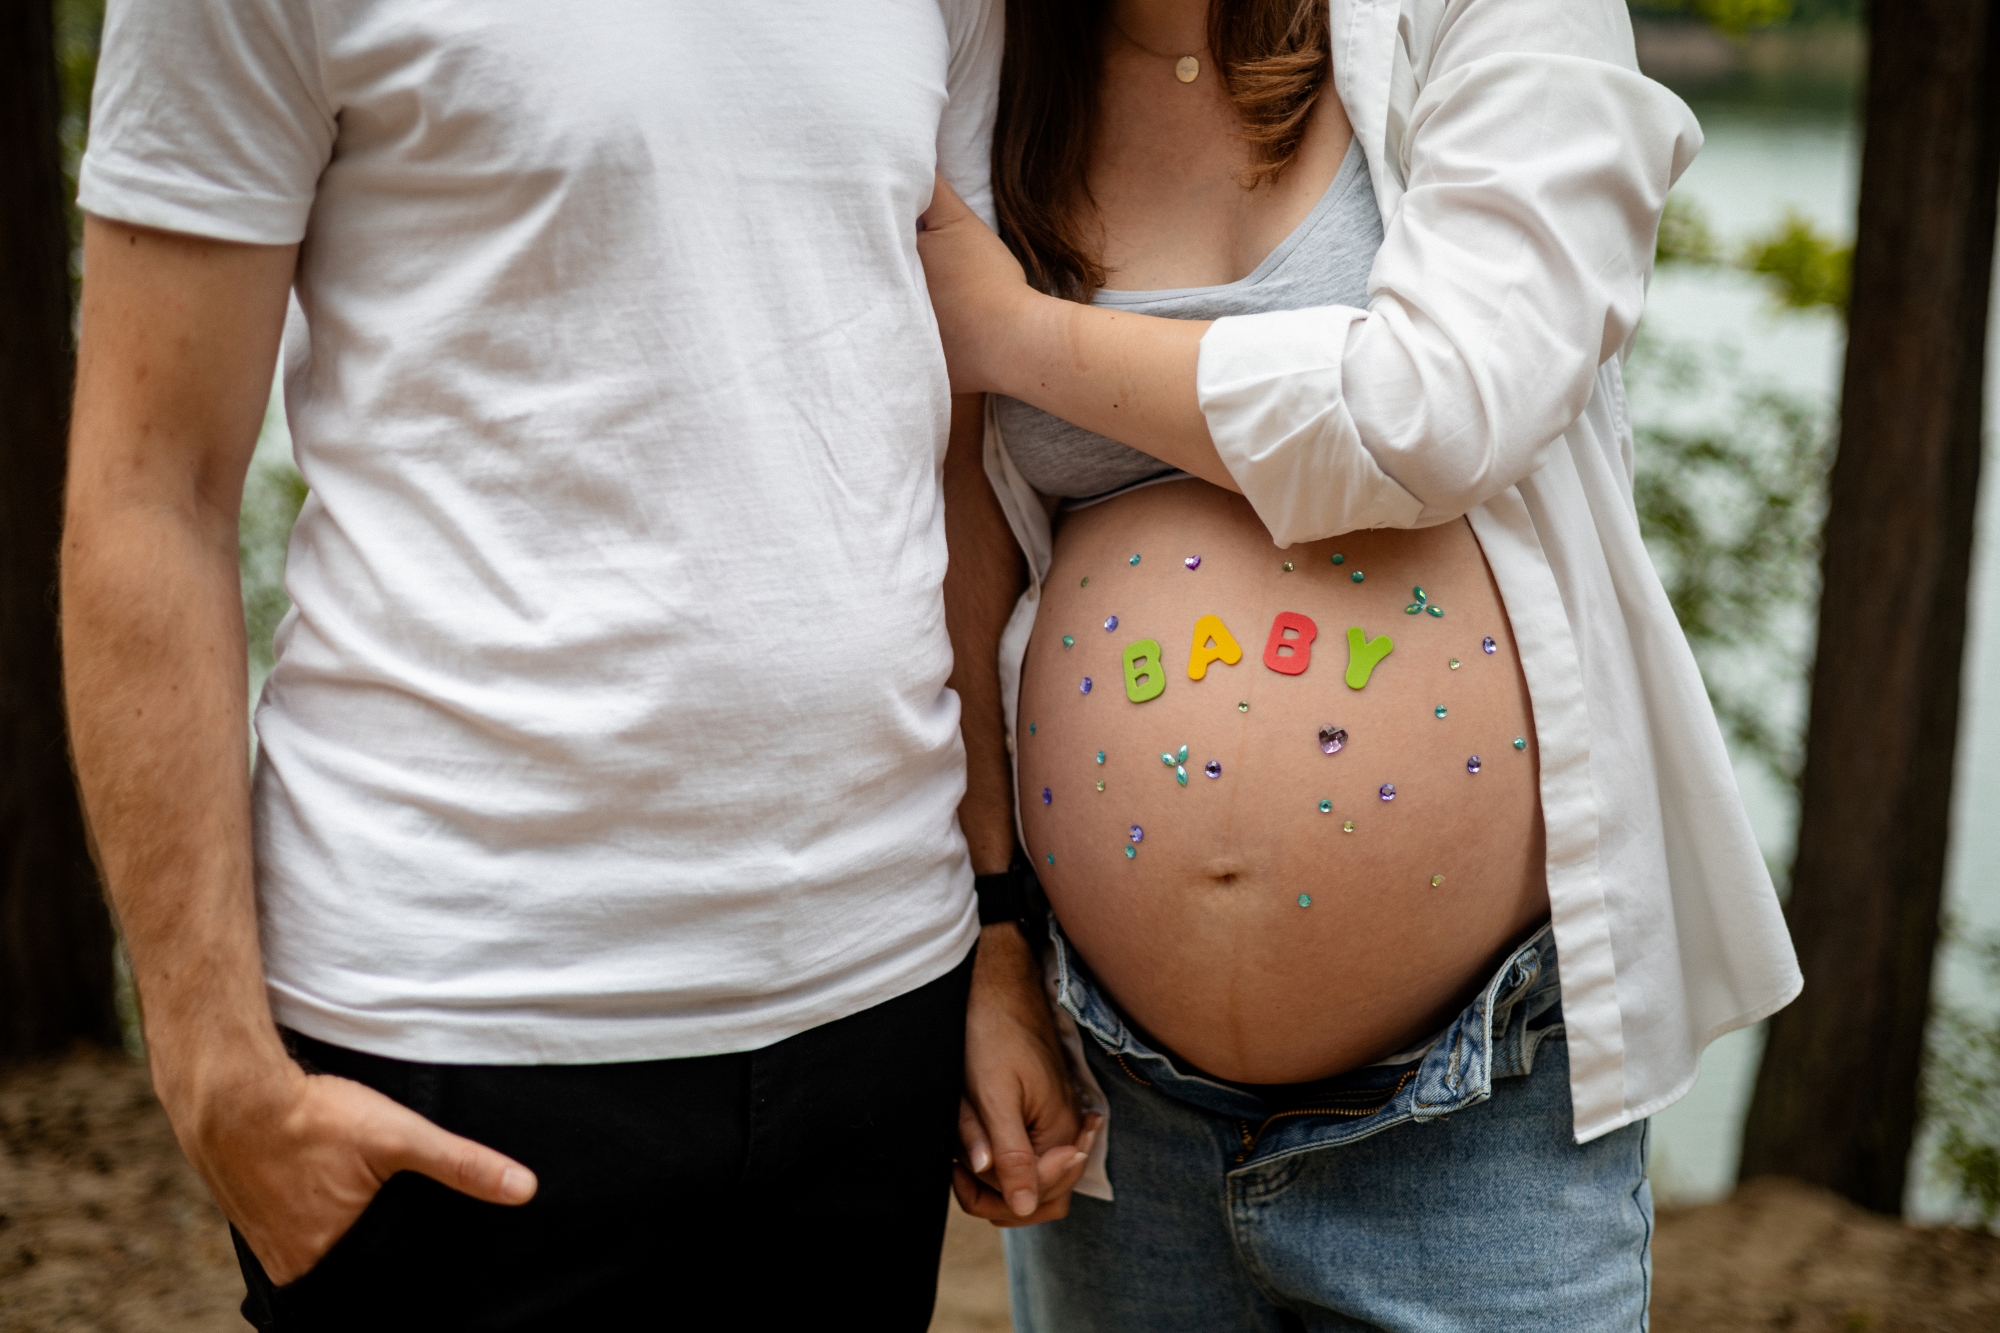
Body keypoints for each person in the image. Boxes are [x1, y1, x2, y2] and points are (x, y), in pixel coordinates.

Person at [60, 2, 1092, 1327]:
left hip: (876, 1002)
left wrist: (995, 927)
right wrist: (211, 1065)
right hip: (455, 1024)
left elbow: (946, 433)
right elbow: (153, 490)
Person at [918, 0, 1802, 1327]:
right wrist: (990, 941)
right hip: (1116, 1088)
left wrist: (1019, 334)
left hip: (1478, 1103)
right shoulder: (969, 50)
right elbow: (953, 524)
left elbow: (1442, 407)